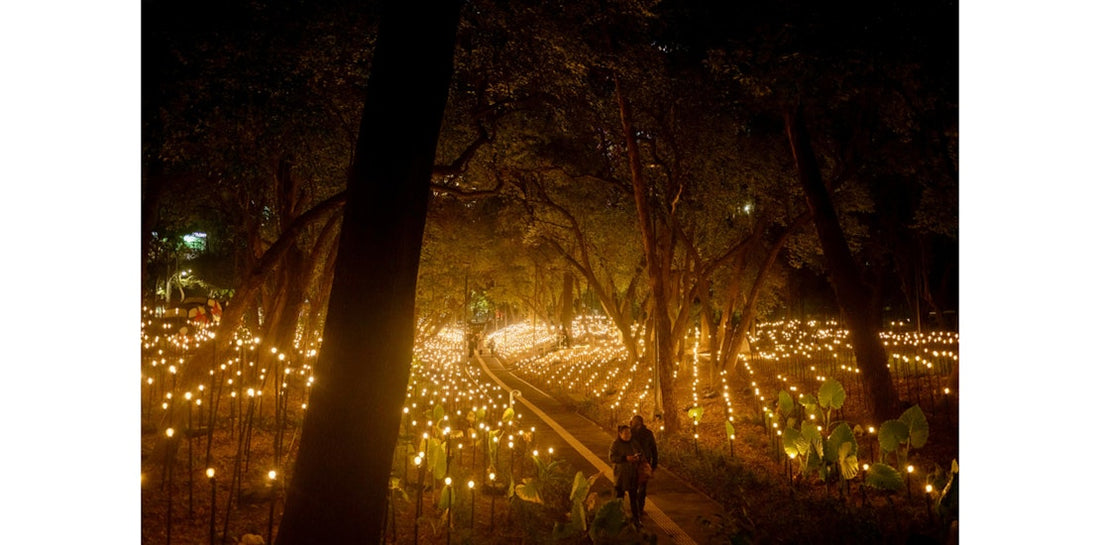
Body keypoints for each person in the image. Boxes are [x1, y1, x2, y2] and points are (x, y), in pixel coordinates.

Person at [608, 424, 643, 525]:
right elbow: (612, 457)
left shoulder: (634, 443)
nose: (628, 435)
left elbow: (641, 452)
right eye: (626, 433)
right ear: (620, 434)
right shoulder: (615, 444)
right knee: (619, 498)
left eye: (629, 433)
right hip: (621, 476)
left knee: (633, 498)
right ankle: (618, 519)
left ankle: (636, 519)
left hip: (633, 475)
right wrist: (625, 458)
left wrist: (637, 458)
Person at [630, 414, 658, 516]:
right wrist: (654, 463)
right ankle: (639, 508)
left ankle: (637, 509)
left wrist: (654, 463)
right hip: (643, 463)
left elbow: (653, 449)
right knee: (641, 487)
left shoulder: (630, 434)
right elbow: (654, 449)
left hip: (637, 464)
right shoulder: (648, 433)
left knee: (637, 487)